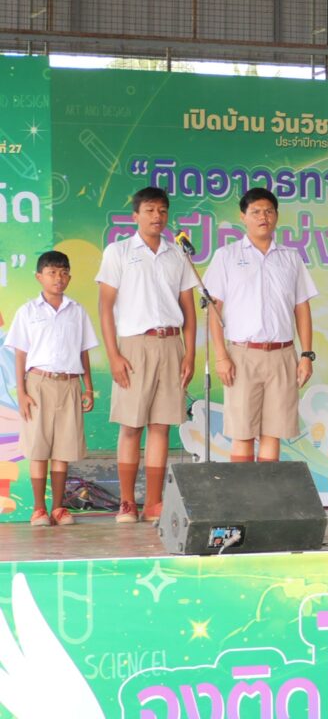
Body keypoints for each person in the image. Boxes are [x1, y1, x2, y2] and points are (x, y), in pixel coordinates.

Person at [96, 187, 196, 523]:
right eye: (150, 210)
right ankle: (127, 502)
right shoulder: (119, 251)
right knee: (131, 424)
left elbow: (188, 309)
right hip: (134, 345)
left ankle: (154, 502)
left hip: (171, 344)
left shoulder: (177, 254)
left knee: (160, 425)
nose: (157, 216)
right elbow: (105, 307)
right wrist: (114, 355)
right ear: (135, 215)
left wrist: (189, 354)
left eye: (163, 210)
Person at [204, 187, 318, 462]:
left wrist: (306, 355)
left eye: (268, 211)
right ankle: (242, 492)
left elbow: (302, 308)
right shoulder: (226, 256)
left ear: (276, 215)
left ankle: (266, 492)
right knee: (242, 433)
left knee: (273, 434)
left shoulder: (290, 257)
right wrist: (221, 357)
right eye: (255, 212)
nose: (263, 217)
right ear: (243, 216)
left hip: (282, 354)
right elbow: (213, 311)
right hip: (242, 355)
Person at [5, 251, 98, 526]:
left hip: (69, 384)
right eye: (52, 272)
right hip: (38, 384)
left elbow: (83, 351)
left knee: (63, 449)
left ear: (69, 276)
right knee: (38, 447)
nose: (59, 278)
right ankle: (38, 509)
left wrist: (88, 388)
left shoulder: (77, 311)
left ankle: (58, 508)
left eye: (64, 272)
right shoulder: (27, 312)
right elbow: (20, 355)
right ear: (39, 277)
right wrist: (22, 392)